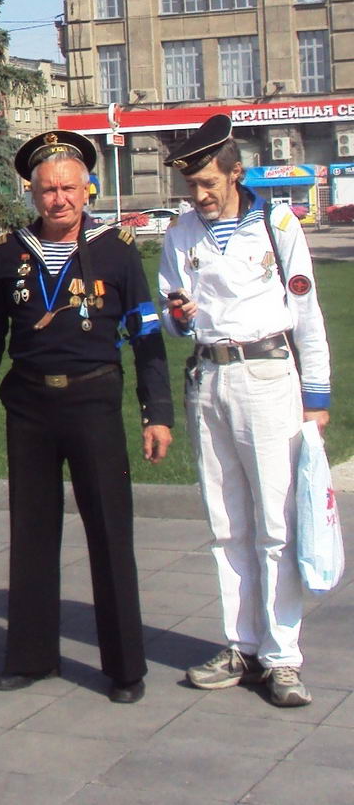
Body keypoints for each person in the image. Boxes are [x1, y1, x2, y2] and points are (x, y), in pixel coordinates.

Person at [0, 131, 172, 703]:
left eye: (69, 189)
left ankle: (125, 668)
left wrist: (156, 412)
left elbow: (146, 335)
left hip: (93, 403)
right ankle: (32, 658)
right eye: (48, 190)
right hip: (29, 407)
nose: (59, 200)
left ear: (87, 190)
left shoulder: (117, 250)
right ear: (32, 194)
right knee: (31, 533)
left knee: (110, 533)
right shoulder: (9, 252)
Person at [158, 113, 332, 708]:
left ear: (236, 173)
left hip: (267, 375)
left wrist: (317, 398)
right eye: (192, 186)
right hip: (209, 377)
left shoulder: (277, 224)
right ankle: (243, 644)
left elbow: (306, 314)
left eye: (209, 183)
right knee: (226, 521)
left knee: (276, 523)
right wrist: (176, 316)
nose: (200, 195)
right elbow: (171, 309)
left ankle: (282, 655)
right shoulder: (182, 232)